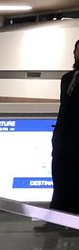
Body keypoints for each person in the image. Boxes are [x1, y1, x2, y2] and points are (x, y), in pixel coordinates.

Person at [42, 38, 79, 226]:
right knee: (59, 180)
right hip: (63, 142)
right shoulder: (67, 79)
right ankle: (54, 220)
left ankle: (73, 222)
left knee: (75, 182)